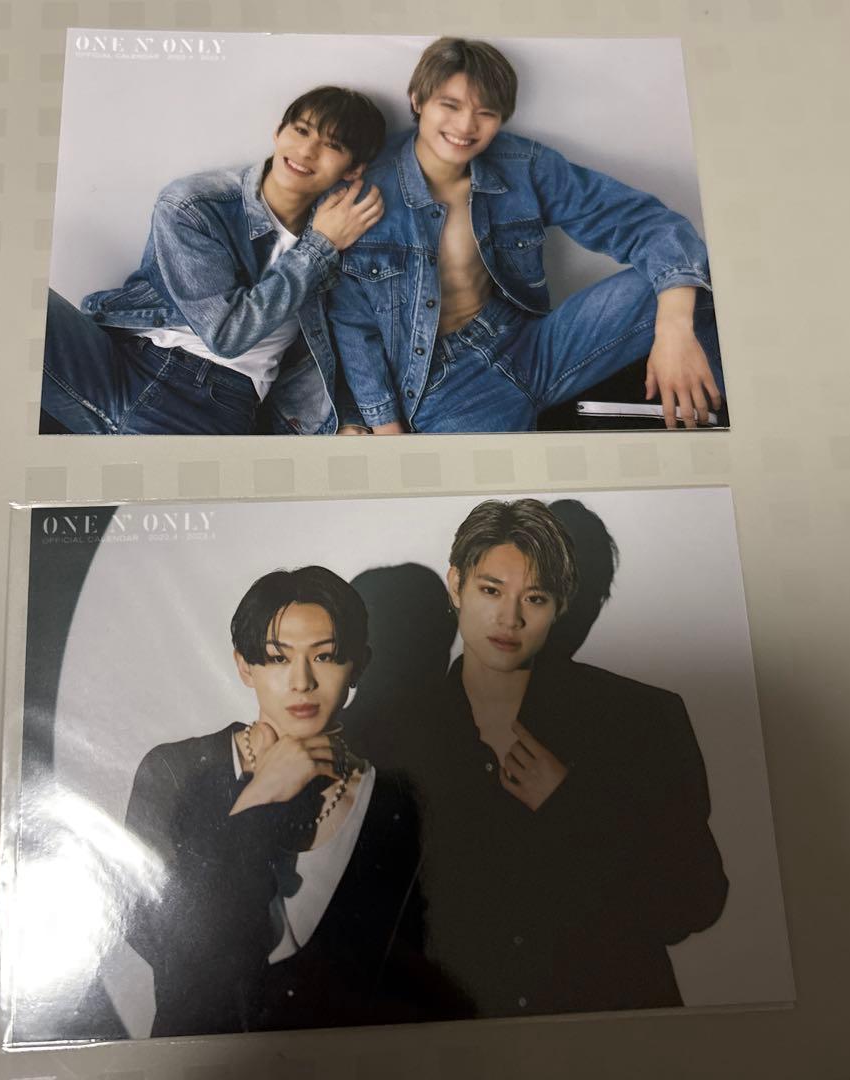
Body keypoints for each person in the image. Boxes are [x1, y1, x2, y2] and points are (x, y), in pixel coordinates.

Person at [418, 499, 729, 1017]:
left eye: (534, 598)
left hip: (610, 1030)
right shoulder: (392, 734)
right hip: (458, 1038)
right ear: (456, 585)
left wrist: (572, 803)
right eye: (491, 590)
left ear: (561, 605)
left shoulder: (640, 719)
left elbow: (693, 904)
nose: (510, 618)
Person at [326, 38, 724, 434]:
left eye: (486, 112)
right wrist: (387, 431)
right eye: (450, 106)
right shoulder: (362, 194)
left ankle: (721, 420)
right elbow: (352, 324)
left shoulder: (521, 165)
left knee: (691, 283)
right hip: (446, 386)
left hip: (530, 343)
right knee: (507, 475)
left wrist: (674, 330)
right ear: (417, 100)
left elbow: (645, 223)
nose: (466, 126)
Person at [122, 567, 427, 1036]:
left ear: (357, 665)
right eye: (277, 658)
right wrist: (260, 795)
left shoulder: (393, 801)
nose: (301, 681)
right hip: (205, 1059)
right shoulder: (174, 771)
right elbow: (170, 948)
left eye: (324, 656)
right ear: (245, 666)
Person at [41, 86, 386, 435]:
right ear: (278, 132)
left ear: (353, 170)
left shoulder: (342, 233)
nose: (307, 151)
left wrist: (350, 418)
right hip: (128, 358)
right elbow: (225, 332)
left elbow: (345, 344)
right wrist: (319, 248)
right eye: (301, 130)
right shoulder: (194, 204)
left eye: (332, 146)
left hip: (208, 402)